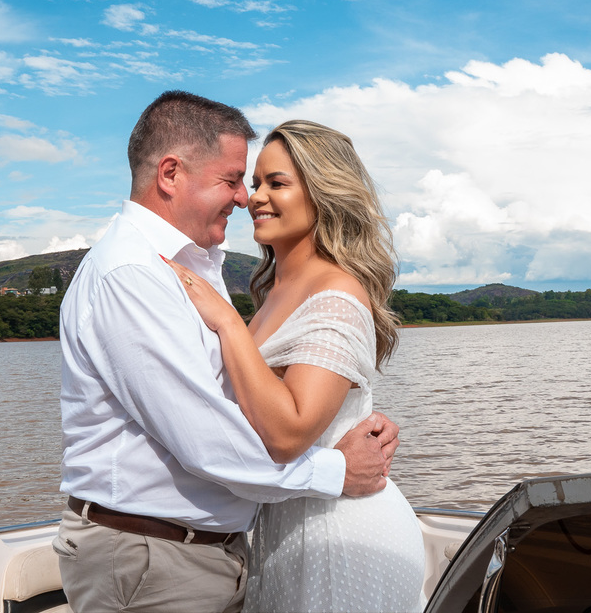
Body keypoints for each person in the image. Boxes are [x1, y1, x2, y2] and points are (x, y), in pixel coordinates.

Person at [56, 92, 402, 613]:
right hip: (156, 559)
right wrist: (336, 469)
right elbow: (207, 436)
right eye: (237, 179)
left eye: (269, 182)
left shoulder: (199, 270)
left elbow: (262, 404)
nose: (247, 198)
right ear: (170, 174)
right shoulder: (135, 274)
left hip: (289, 538)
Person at [164, 119, 426, 613]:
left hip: (338, 535)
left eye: (277, 183)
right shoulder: (272, 295)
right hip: (288, 531)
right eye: (255, 182)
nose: (255, 197)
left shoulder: (337, 293)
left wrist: (225, 322)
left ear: (324, 194)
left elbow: (289, 433)